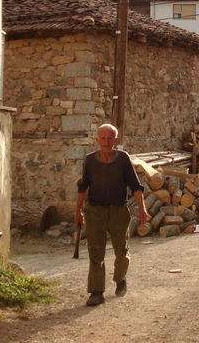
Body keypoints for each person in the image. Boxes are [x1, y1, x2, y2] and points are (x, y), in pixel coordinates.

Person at [75, 123, 150, 307]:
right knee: (95, 251)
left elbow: (135, 186)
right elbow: (83, 187)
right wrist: (77, 211)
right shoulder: (90, 160)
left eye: (110, 139)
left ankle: (120, 278)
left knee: (121, 250)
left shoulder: (123, 159)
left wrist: (142, 208)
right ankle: (96, 291)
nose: (106, 142)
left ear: (116, 140)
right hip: (95, 211)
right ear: (97, 140)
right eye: (103, 138)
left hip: (118, 210)